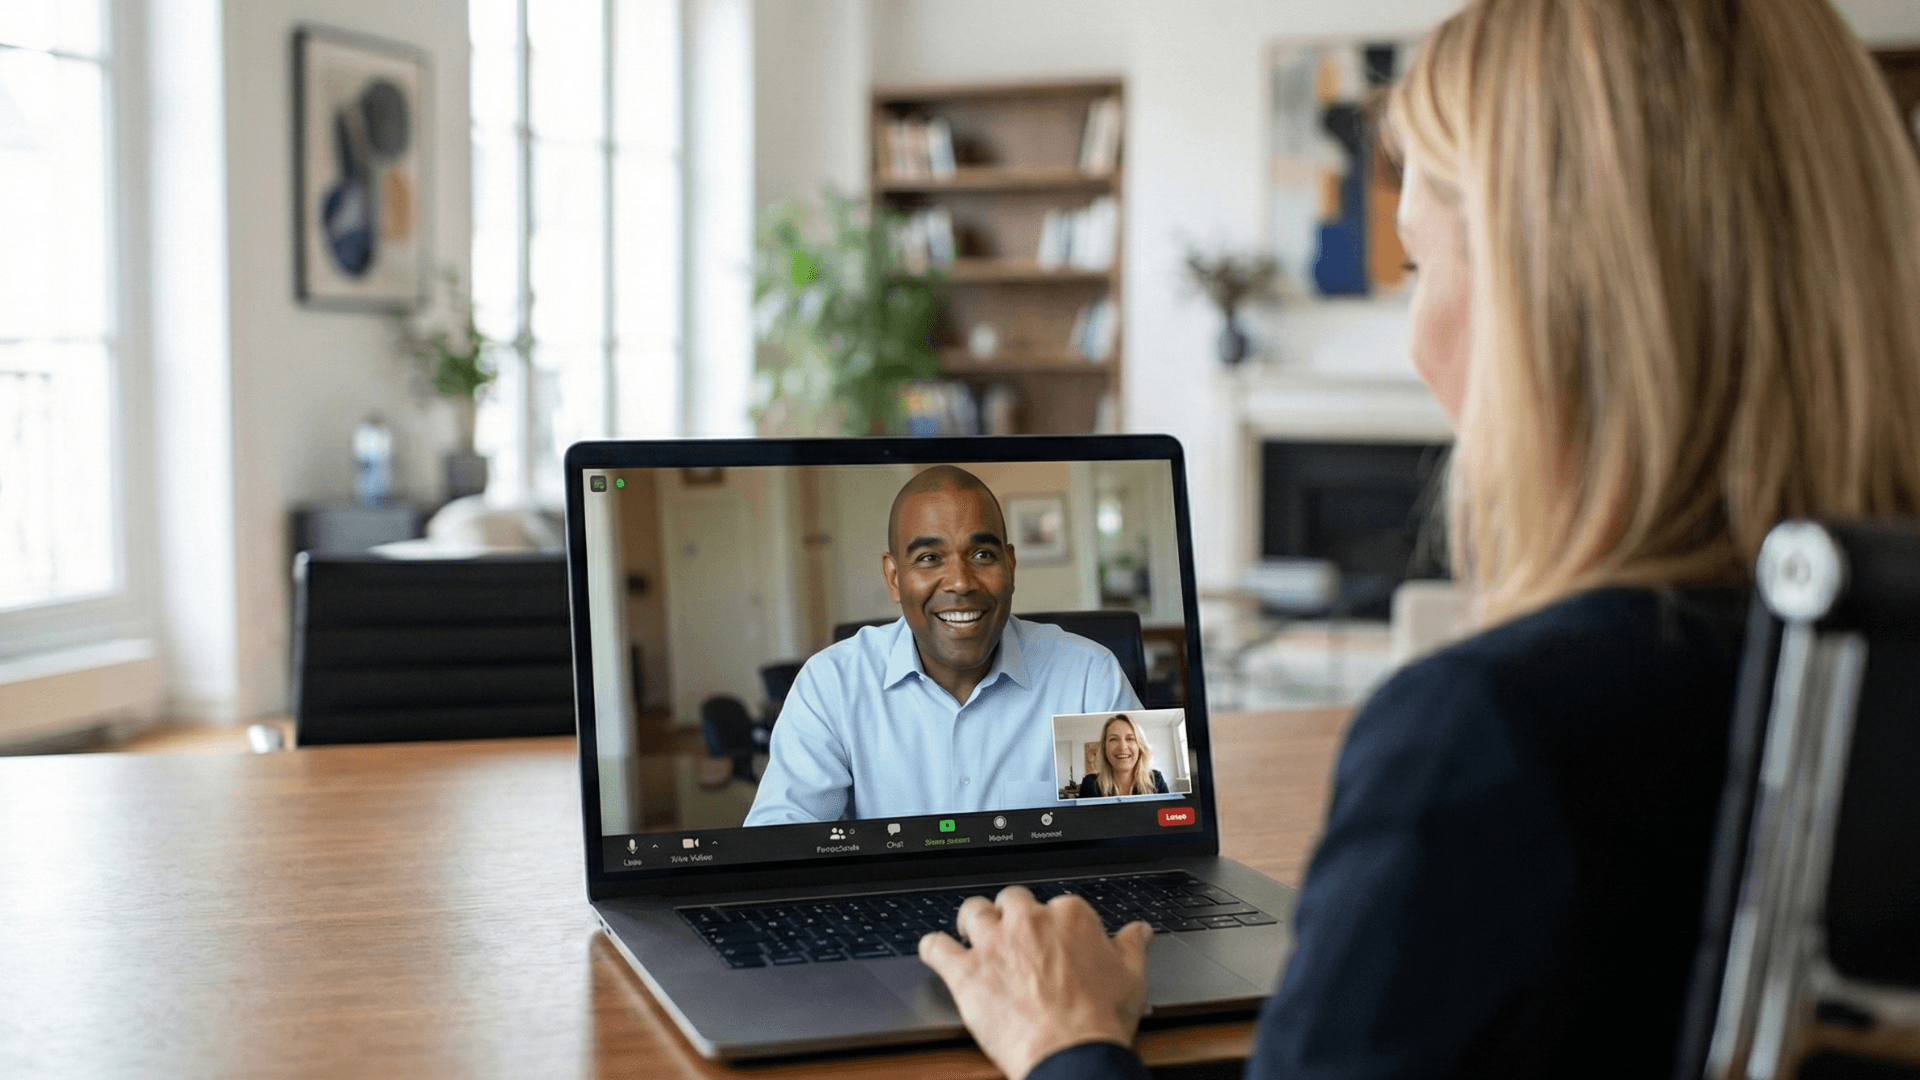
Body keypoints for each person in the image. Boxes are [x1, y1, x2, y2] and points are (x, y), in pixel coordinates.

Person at [914, 1, 1920, 1077]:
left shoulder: (1487, 742)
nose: (1417, 336)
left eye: (1420, 264)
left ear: (1554, 306)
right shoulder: (1862, 659)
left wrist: (1065, 1042)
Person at [744, 466, 1141, 825]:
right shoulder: (831, 684)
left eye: (983, 554)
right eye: (930, 557)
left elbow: (1148, 839)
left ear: (1011, 566)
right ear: (895, 577)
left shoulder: (1089, 676)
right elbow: (778, 845)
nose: (961, 582)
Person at [1077, 715, 1168, 799]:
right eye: (1113, 739)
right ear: (1105, 748)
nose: (1122, 747)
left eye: (1130, 738)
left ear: (1140, 747)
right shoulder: (1090, 784)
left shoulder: (1156, 780)